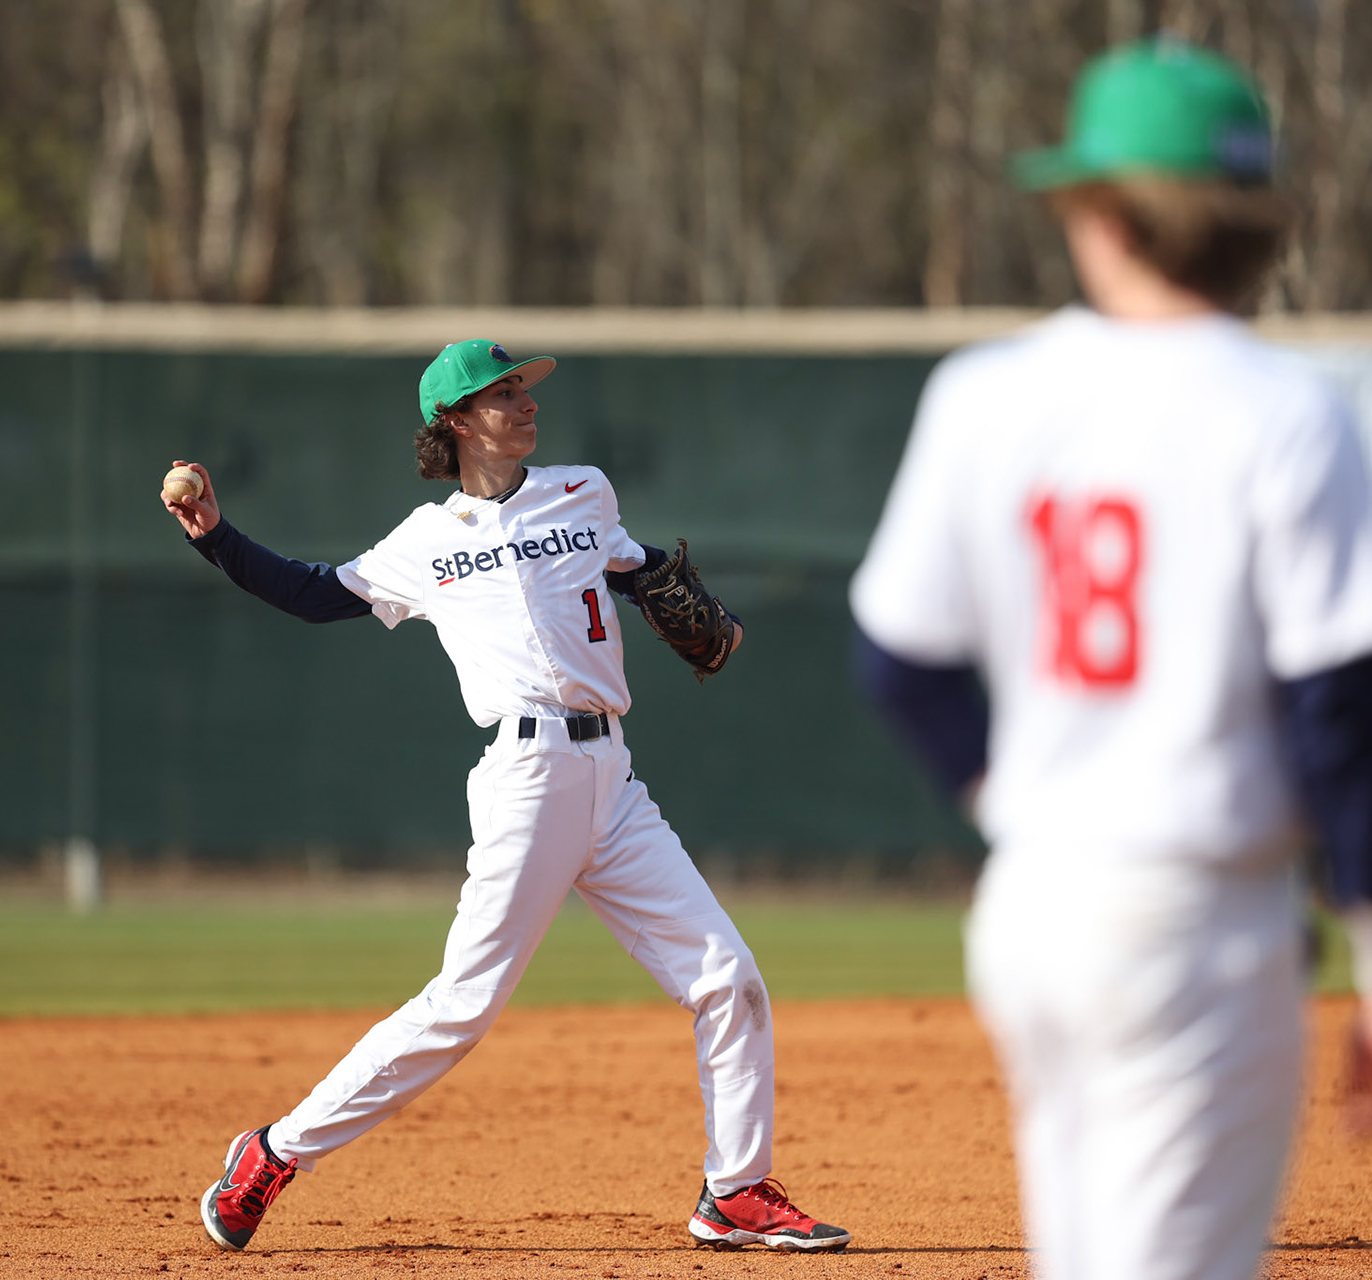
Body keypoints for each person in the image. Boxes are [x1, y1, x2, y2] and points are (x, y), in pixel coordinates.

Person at [850, 38, 1372, 1280]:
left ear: (1101, 215)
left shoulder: (985, 392)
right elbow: (1340, 716)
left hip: (1035, 906)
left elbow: (900, 664)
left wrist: (1019, 804)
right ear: (1258, 224)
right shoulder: (1293, 411)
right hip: (1199, 913)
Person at [161, 339, 850, 1255]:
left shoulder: (583, 490)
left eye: (522, 388)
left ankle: (737, 1189)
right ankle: (273, 1153)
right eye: (501, 394)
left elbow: (635, 565)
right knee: (461, 1006)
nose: (525, 403)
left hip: (614, 781)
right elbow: (313, 594)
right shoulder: (426, 540)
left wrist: (659, 584)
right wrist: (215, 535)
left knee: (728, 977)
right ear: (453, 421)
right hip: (527, 779)